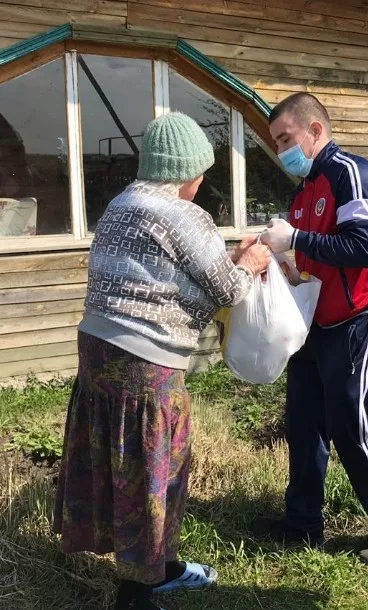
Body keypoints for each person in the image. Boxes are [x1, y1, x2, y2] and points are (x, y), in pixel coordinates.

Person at [53, 112, 271, 610]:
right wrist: (251, 262)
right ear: (186, 171)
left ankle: (160, 564)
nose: (201, 183)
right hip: (145, 362)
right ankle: (137, 591)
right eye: (201, 173)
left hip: (97, 352)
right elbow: (228, 290)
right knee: (154, 469)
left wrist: (226, 259)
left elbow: (170, 277)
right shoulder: (183, 214)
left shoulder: (121, 204)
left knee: (116, 460)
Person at [260, 93, 368, 566]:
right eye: (275, 142)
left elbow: (363, 247)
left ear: (315, 131)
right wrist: (283, 263)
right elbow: (315, 259)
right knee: (303, 421)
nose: (281, 149)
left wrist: (297, 238)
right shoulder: (304, 191)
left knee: (350, 423)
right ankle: (302, 522)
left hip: (358, 321)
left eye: (286, 138)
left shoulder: (351, 174)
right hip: (316, 323)